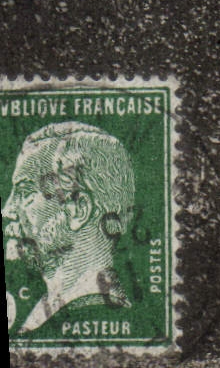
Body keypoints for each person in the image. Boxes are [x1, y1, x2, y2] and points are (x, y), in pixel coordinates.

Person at [3, 121, 135, 334]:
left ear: (79, 210)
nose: (7, 210)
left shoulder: (97, 313)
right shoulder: (46, 313)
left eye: (25, 192)